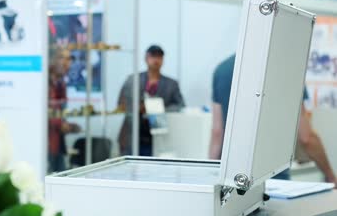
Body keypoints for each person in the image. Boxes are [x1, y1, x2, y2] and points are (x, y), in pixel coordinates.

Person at [209, 54, 337, 184]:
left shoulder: (222, 70)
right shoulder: (287, 69)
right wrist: (331, 176)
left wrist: (212, 178)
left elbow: (218, 132)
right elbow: (306, 137)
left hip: (234, 181)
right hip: (275, 182)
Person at [118, 45, 185, 156]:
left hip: (158, 135)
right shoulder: (132, 80)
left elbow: (180, 106)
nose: (156, 60)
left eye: (159, 57)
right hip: (132, 133)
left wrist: (157, 109)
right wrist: (137, 108)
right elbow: (121, 103)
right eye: (153, 56)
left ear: (163, 59)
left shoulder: (171, 84)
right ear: (146, 58)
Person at [48, 49, 81, 172]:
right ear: (51, 60)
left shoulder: (61, 84)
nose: (67, 63)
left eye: (69, 59)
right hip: (45, 144)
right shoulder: (42, 83)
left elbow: (59, 113)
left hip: (58, 145)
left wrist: (68, 126)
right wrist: (61, 125)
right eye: (62, 58)